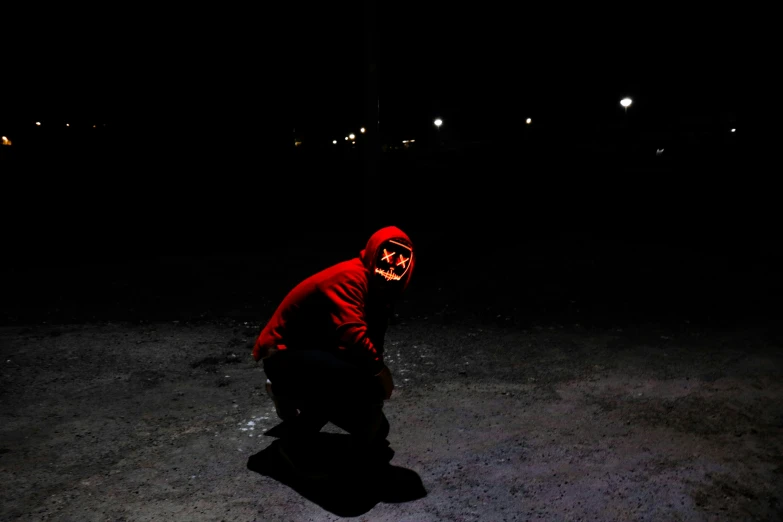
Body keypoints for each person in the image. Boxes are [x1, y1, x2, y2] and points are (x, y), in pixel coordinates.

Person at [252, 225, 415, 473]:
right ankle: (292, 445)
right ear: (373, 254)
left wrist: (374, 398)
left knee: (377, 427)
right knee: (351, 381)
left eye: (399, 264)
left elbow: (371, 340)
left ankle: (287, 393)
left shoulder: (377, 291)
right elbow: (352, 333)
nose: (391, 268)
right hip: (282, 353)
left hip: (313, 352)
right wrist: (380, 373)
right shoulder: (350, 277)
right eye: (386, 258)